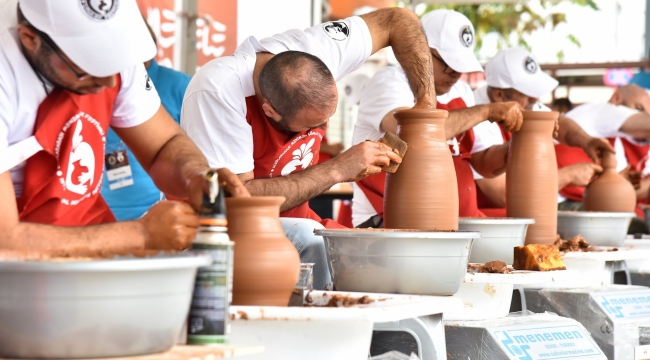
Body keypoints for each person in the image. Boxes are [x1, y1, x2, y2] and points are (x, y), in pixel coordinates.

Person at [181, 8, 435, 289]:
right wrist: (338, 169)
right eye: (312, 124)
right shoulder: (218, 92)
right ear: (270, 111)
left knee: (384, 253)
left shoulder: (318, 52)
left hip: (300, 222)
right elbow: (238, 202)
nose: (324, 128)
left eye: (328, 117)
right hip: (225, 231)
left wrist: (426, 104)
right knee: (312, 244)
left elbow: (398, 20)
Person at [0, 0, 246, 254]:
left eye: (113, 66)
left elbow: (162, 145)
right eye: (88, 66)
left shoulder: (113, 58)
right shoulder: (5, 77)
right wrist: (141, 233)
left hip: (91, 243)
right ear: (30, 38)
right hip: (18, 270)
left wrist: (194, 176)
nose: (108, 81)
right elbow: (5, 240)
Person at [351, 9, 523, 227]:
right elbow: (414, 135)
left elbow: (482, 163)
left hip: (453, 222)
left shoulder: (462, 90)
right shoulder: (389, 82)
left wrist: (515, 148)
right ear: (419, 52)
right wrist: (485, 111)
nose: (456, 74)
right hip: (388, 221)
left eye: (461, 68)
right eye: (449, 64)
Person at [472, 47, 614, 214]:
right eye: (528, 94)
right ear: (499, 95)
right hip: (489, 220)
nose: (536, 100)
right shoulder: (478, 121)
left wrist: (587, 140)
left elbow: (559, 123)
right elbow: (504, 194)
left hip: (521, 214)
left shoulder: (521, 104)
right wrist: (569, 175)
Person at [101, 21, 192, 221]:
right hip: (105, 210)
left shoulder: (179, 85)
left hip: (160, 210)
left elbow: (192, 145)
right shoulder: (98, 82)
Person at [559, 84, 650, 227]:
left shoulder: (614, 139)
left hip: (584, 202)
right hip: (561, 203)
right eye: (638, 109)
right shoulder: (603, 111)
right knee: (637, 226)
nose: (642, 116)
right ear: (617, 98)